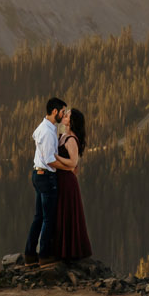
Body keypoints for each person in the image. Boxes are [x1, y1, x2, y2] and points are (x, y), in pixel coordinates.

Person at [24, 97, 66, 265]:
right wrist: (67, 167)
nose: (63, 116)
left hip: (38, 175)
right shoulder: (48, 132)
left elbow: (36, 138)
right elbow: (49, 160)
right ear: (54, 111)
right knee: (49, 218)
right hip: (46, 176)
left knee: (39, 217)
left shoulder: (43, 127)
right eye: (62, 112)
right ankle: (44, 255)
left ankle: (30, 254)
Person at [53, 107, 91, 262]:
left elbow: (73, 162)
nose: (64, 116)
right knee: (61, 213)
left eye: (67, 115)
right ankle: (61, 251)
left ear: (72, 121)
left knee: (66, 213)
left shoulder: (71, 140)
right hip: (61, 178)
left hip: (67, 181)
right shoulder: (63, 136)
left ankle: (69, 252)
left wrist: (55, 157)